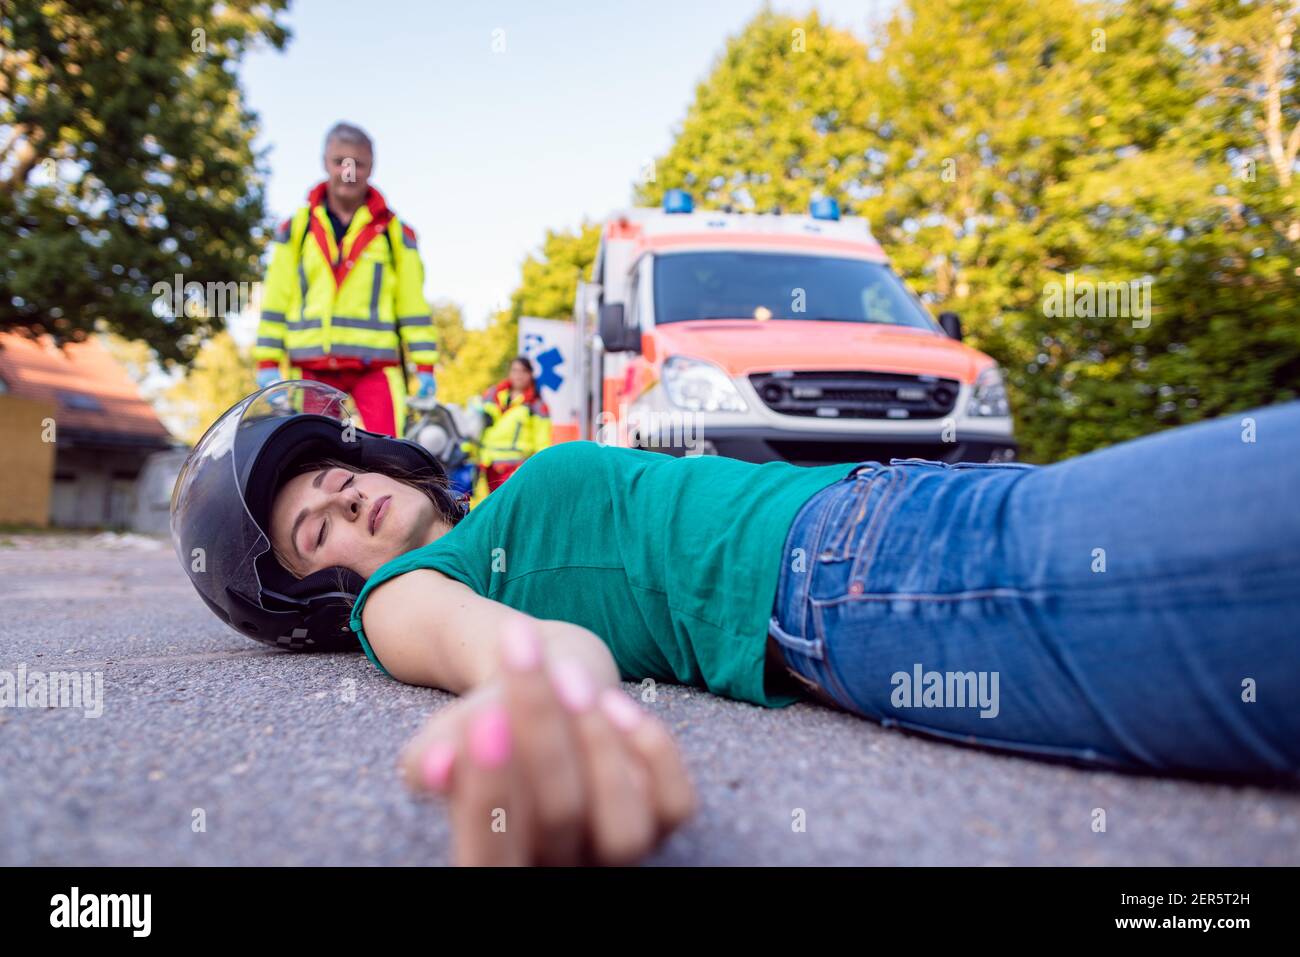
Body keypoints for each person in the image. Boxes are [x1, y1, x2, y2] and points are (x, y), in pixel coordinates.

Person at [169, 381, 1300, 865]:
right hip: (866, 575)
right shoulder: (404, 596)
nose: (339, 500)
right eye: (315, 532)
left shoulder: (492, 501)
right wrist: (543, 703)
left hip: (891, 504)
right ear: (321, 597)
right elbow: (496, 647)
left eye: (326, 475)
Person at [253, 122, 439, 436]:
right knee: (313, 456)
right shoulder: (295, 230)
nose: (348, 171)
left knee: (391, 454)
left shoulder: (395, 234)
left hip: (376, 370)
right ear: (325, 162)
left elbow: (413, 306)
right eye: (340, 161)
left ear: (371, 168)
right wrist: (267, 362)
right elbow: (276, 301)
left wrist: (425, 366)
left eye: (359, 163)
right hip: (312, 369)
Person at [472, 356, 552, 492]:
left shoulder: (536, 406)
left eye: (523, 371)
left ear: (531, 375)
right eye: (514, 370)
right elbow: (476, 427)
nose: (518, 375)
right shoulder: (492, 395)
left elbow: (542, 443)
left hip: (515, 469)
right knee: (487, 510)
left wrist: (537, 469)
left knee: (509, 510)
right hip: (487, 466)